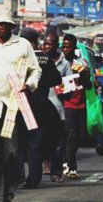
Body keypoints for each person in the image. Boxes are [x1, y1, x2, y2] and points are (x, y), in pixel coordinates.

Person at [0, 9, 41, 202]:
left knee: (12, 151)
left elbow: (35, 70)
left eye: (7, 24)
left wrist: (29, 85)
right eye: (0, 24)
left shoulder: (22, 45)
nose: (3, 27)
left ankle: (9, 190)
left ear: (12, 27)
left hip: (13, 105)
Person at [18, 28, 62, 189]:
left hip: (18, 105)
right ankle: (33, 178)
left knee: (17, 142)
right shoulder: (44, 58)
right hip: (39, 105)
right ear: (35, 42)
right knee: (33, 143)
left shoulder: (16, 56)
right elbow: (56, 79)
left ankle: (18, 177)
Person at [61, 33, 92, 180]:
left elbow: (89, 85)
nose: (66, 49)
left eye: (69, 47)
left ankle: (66, 160)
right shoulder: (59, 64)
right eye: (64, 46)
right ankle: (71, 167)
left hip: (81, 104)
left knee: (81, 136)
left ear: (74, 48)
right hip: (67, 105)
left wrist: (84, 75)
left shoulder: (81, 63)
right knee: (71, 136)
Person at [42, 32, 72, 183]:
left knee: (58, 143)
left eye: (50, 44)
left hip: (58, 108)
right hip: (40, 107)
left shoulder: (65, 64)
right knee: (40, 139)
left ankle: (56, 171)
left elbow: (69, 87)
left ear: (56, 46)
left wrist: (63, 89)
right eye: (45, 44)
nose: (46, 47)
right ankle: (44, 165)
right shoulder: (38, 61)